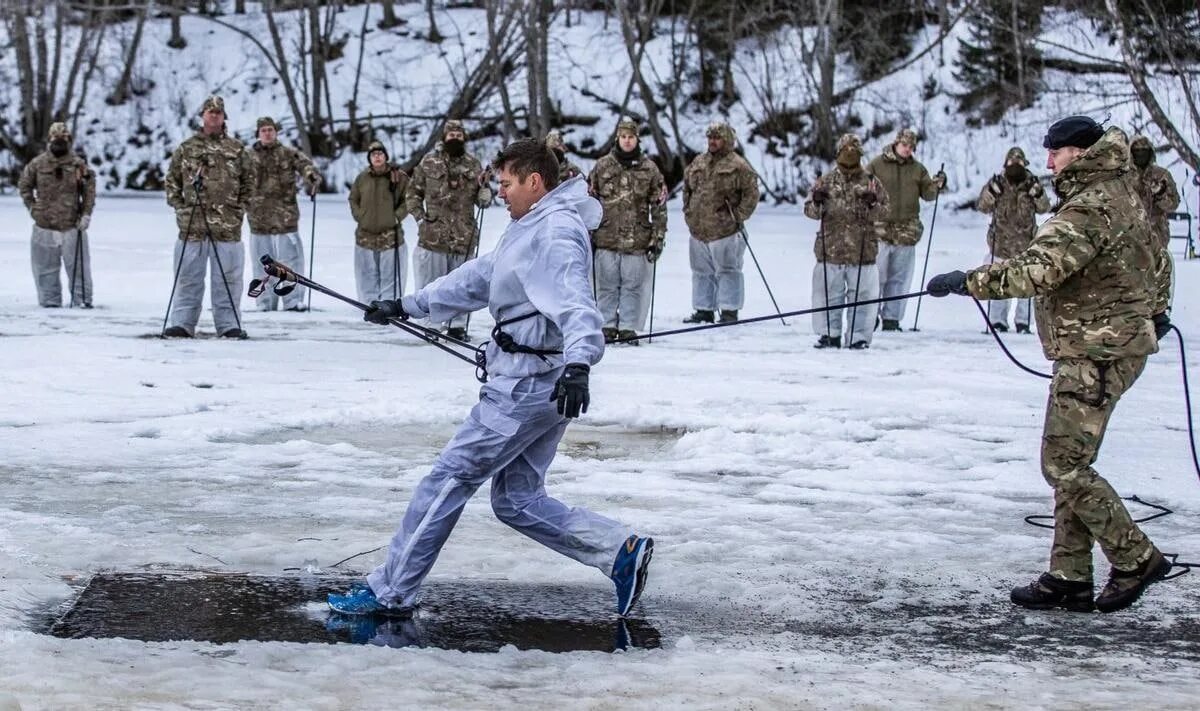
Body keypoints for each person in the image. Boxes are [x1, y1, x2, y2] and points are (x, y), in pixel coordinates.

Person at [327, 138, 653, 619]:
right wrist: (408, 306)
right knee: (516, 499)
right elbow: (481, 277)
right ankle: (618, 552)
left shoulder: (555, 233)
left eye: (506, 183)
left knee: (448, 479)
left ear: (534, 182)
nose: (499, 192)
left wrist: (581, 363)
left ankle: (389, 592)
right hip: (541, 384)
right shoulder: (531, 226)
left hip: (524, 388)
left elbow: (578, 303)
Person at [926, 116, 1173, 614]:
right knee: (1072, 464)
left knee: (1063, 464)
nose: (1047, 162)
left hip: (1095, 353)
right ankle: (1069, 575)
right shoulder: (1120, 190)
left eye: (1055, 153)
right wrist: (1155, 310)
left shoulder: (1090, 206)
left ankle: (1135, 556)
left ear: (1079, 153)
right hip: (1102, 346)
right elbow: (1158, 259)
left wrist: (966, 281)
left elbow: (1037, 269)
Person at [163, 95, 252, 338]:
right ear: (202, 115)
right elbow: (171, 181)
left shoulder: (237, 150)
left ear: (224, 117)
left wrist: (239, 209)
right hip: (192, 226)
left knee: (228, 279)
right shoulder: (187, 148)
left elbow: (249, 183)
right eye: (209, 111)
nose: (214, 115)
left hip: (227, 226)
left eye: (218, 112)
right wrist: (180, 207)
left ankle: (229, 325)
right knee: (188, 277)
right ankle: (182, 323)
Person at [405, 119, 493, 341]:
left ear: (464, 137)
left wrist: (485, 194)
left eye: (459, 134)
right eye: (451, 134)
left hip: (464, 236)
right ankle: (432, 325)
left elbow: (483, 196)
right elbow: (412, 193)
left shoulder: (474, 165)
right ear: (444, 137)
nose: (455, 137)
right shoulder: (428, 162)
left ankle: (458, 326)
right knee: (430, 283)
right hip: (433, 236)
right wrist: (420, 219)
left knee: (463, 285)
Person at [804, 133, 889, 350]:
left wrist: (873, 206)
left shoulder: (871, 182)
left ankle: (858, 336)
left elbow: (885, 212)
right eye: (845, 151)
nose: (849, 155)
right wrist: (817, 201)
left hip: (862, 250)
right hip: (830, 249)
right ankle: (828, 334)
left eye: (854, 151)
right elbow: (810, 212)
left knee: (862, 298)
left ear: (860, 154)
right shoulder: (827, 181)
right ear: (838, 153)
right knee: (827, 296)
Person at [587, 117, 667, 343]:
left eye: (631, 137)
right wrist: (588, 233)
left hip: (637, 239)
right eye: (623, 137)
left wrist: (657, 236)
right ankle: (607, 325)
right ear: (617, 139)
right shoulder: (603, 166)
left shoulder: (649, 169)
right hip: (606, 237)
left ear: (637, 139)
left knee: (633, 286)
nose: (627, 141)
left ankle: (628, 327)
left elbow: (659, 205)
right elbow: (590, 201)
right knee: (606, 286)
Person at [681, 121, 760, 324]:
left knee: (728, 270)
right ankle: (704, 309)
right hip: (699, 230)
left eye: (717, 138)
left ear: (727, 140)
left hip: (726, 230)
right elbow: (687, 187)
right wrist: (689, 211)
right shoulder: (698, 162)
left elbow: (752, 193)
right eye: (710, 137)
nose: (713, 141)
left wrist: (738, 215)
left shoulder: (739, 165)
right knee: (700, 271)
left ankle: (729, 310)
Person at [867, 128, 945, 331]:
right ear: (896, 143)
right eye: (904, 145)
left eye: (911, 147)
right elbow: (863, 185)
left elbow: (928, 194)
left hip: (907, 232)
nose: (907, 149)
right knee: (876, 276)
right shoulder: (877, 164)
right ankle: (870, 314)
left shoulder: (918, 169)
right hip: (880, 230)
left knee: (899, 279)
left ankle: (892, 317)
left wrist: (937, 185)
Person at [245, 116, 322, 312]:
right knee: (260, 265)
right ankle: (264, 303)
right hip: (258, 219)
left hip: (285, 219)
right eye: (264, 130)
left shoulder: (288, 153)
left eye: (271, 129)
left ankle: (293, 302)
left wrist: (311, 177)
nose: (268, 133)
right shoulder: (247, 156)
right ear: (258, 133)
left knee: (290, 263)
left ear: (276, 132)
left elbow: (307, 166)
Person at [19, 121, 97, 308]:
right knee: (45, 270)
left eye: (63, 139)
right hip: (44, 226)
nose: (59, 143)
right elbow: (24, 185)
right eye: (56, 139)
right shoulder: (37, 164)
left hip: (72, 225)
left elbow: (89, 191)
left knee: (79, 269)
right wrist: (32, 208)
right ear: (49, 141)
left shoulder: (79, 165)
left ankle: (82, 302)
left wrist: (86, 214)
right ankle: (49, 303)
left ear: (69, 140)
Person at [975, 146, 1051, 333]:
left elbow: (1045, 208)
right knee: (998, 284)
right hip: (1000, 244)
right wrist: (991, 193)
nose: (1015, 165)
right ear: (1006, 163)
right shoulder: (997, 183)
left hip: (1026, 244)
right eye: (1012, 162)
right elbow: (982, 206)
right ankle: (997, 321)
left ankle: (1023, 322)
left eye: (1019, 162)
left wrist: (1038, 194)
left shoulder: (1032, 184)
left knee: (1026, 285)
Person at [349, 141, 409, 304]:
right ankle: (369, 304)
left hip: (390, 235)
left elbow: (408, 198)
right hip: (365, 235)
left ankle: (389, 305)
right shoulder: (362, 178)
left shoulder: (398, 177)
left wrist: (397, 216)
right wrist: (359, 215)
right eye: (373, 154)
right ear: (369, 158)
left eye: (380, 154)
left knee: (390, 274)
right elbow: (353, 198)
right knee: (366, 274)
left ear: (386, 156)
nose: (377, 157)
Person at [1128, 134, 1179, 313]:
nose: (1140, 155)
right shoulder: (1124, 175)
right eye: (1136, 151)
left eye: (1144, 151)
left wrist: (1160, 193)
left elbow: (1173, 204)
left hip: (1157, 234)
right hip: (1130, 236)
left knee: (1158, 276)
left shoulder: (1161, 175)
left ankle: (1159, 312)